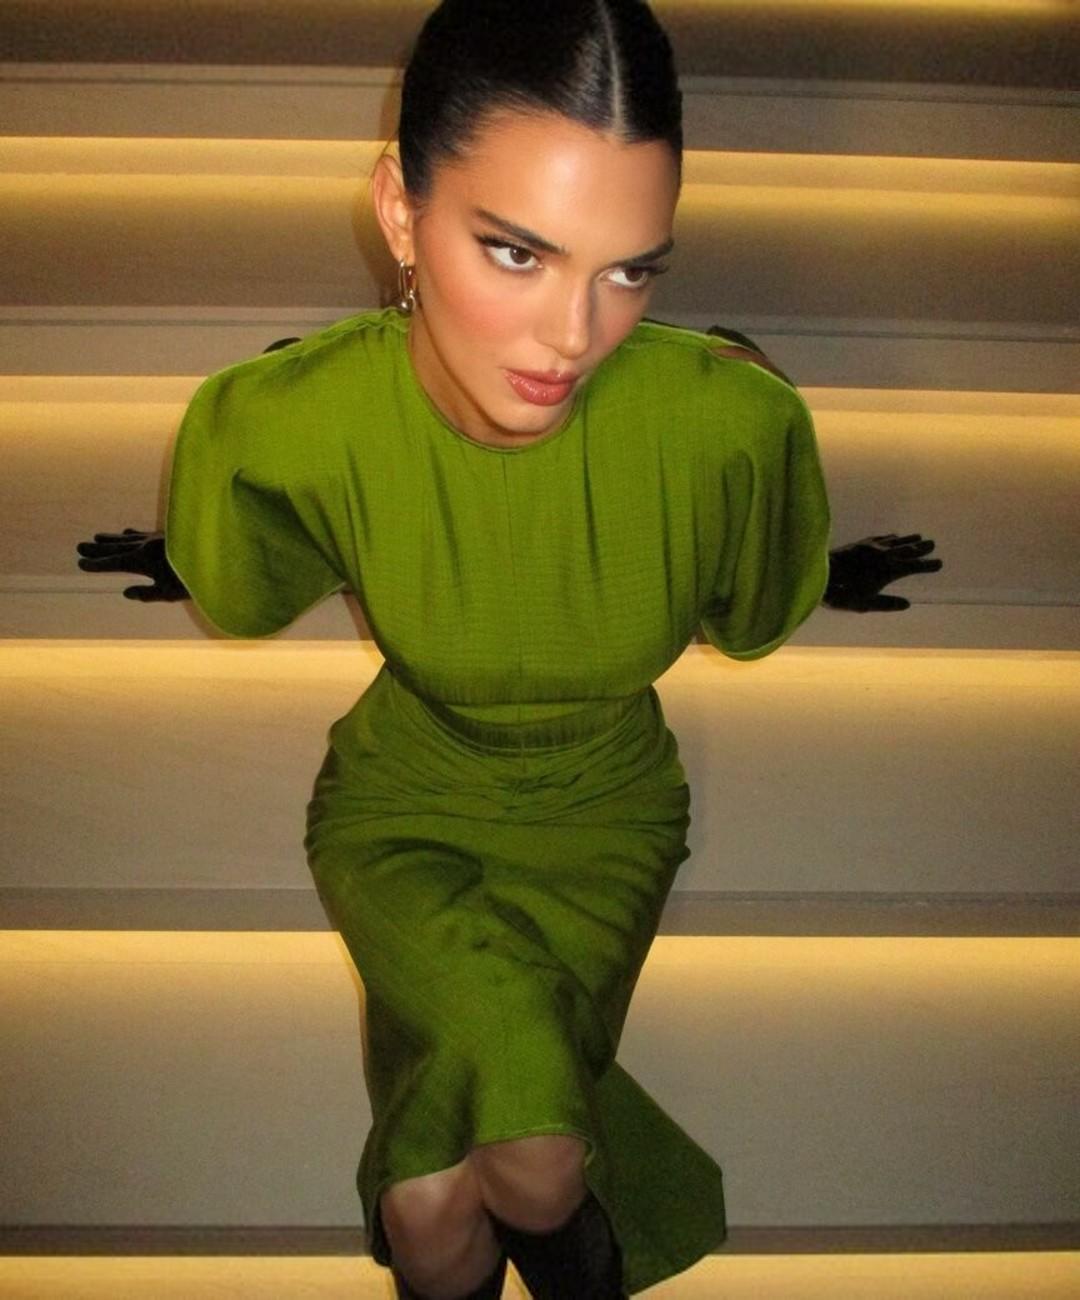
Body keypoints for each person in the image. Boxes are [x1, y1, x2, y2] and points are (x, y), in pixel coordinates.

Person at [76, 2, 941, 1296]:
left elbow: (754, 604)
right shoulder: (295, 418)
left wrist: (802, 550)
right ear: (399, 211)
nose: (573, 337)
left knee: (442, 1205)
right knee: (517, 1172)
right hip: (401, 811)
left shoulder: (719, 425)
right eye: (516, 252)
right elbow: (254, 581)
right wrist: (201, 541)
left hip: (605, 818)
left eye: (630, 272)